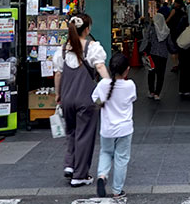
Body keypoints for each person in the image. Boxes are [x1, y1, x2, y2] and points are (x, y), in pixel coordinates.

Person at [53, 13, 109, 187]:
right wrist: (109, 87)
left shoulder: (62, 49)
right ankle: (80, 175)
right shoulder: (92, 48)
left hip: (67, 98)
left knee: (71, 132)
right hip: (87, 100)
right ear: (87, 29)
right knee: (84, 135)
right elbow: (100, 67)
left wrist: (58, 95)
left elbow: (58, 73)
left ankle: (70, 165)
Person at [92, 53, 136, 199]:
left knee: (105, 152)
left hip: (107, 129)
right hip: (124, 128)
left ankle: (102, 176)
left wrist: (103, 106)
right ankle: (117, 191)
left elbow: (94, 99)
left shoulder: (103, 84)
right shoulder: (130, 85)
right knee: (121, 159)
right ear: (127, 70)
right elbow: (132, 99)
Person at [140, 10, 171, 100]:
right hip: (163, 55)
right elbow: (170, 43)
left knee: (151, 73)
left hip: (152, 54)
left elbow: (146, 39)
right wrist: (174, 50)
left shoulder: (151, 29)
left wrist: (141, 49)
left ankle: (151, 92)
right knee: (161, 74)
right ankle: (158, 93)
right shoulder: (166, 30)